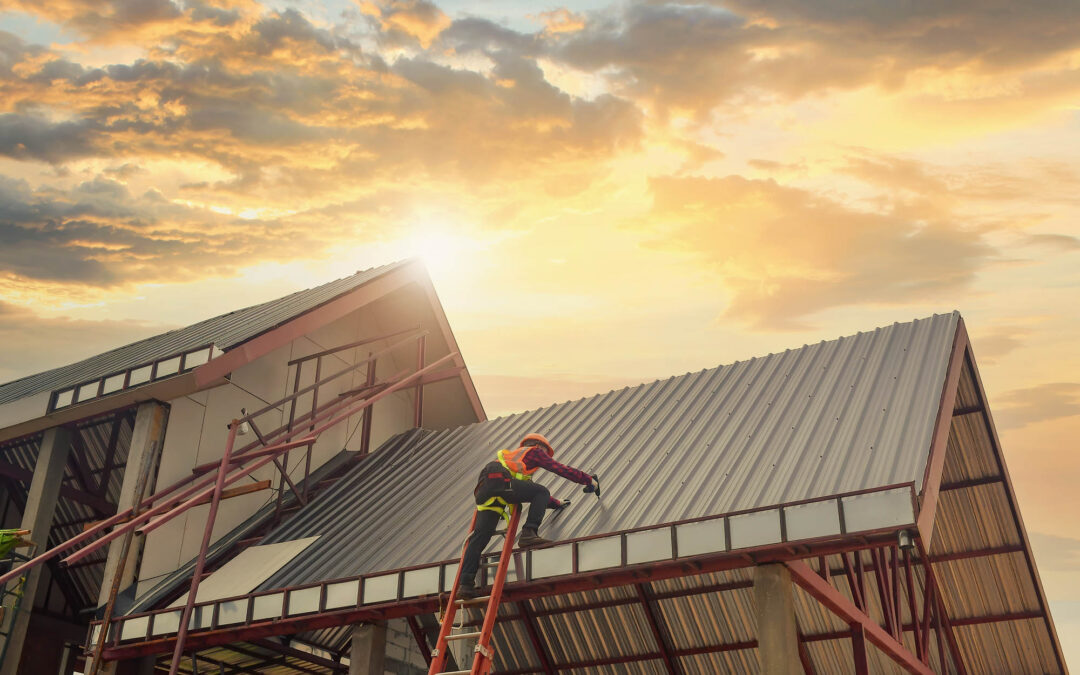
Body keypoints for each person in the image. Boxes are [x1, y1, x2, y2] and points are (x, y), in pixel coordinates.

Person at [458, 433, 597, 599]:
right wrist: (588, 480)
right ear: (539, 446)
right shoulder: (534, 452)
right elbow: (558, 469)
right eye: (546, 452)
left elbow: (529, 490)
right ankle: (529, 533)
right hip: (500, 481)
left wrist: (557, 503)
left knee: (479, 538)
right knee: (542, 490)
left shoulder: (515, 463)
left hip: (485, 489)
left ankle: (465, 585)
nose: (545, 456)